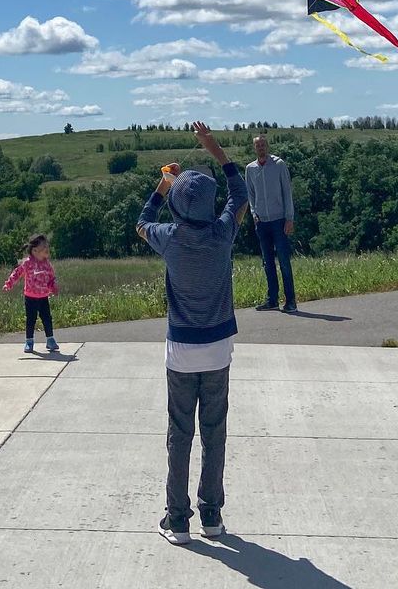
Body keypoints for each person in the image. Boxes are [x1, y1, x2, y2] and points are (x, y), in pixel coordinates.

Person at [136, 121, 247, 546]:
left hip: (181, 349)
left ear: (179, 208)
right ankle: (213, 515)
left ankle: (177, 519)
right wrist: (215, 149)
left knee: (180, 433)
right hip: (218, 348)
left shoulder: (169, 237)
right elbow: (240, 194)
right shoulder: (223, 233)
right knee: (214, 432)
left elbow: (142, 222)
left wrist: (163, 187)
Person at [245, 135, 297, 313]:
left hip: (279, 220)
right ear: (254, 148)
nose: (260, 147)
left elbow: (287, 191)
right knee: (268, 263)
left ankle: (291, 301)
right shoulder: (250, 169)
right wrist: (253, 213)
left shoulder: (279, 164)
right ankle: (272, 299)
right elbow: (250, 193)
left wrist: (289, 217)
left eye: (263, 144)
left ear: (268, 146)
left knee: (283, 262)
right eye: (257, 145)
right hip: (262, 222)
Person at [2, 234, 60, 353]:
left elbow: (51, 277)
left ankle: (50, 340)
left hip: (43, 296)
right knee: (31, 320)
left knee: (47, 318)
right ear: (34, 251)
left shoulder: (47, 264)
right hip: (30, 297)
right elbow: (17, 273)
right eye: (43, 247)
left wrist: (53, 286)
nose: (47, 249)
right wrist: (9, 284)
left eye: (47, 246)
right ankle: (29, 341)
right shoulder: (27, 263)